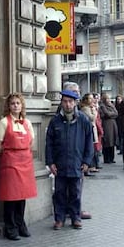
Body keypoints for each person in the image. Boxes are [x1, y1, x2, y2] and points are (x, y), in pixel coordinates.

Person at [46, 90, 93, 230]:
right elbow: (49, 144)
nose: (68, 104)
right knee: (59, 193)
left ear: (75, 103)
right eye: (65, 101)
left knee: (75, 193)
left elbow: (89, 142)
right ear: (61, 102)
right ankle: (59, 219)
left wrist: (86, 162)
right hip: (60, 165)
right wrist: (50, 162)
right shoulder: (55, 121)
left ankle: (75, 218)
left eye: (70, 101)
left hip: (77, 164)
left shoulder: (83, 120)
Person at [0, 93, 37, 241]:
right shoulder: (4, 123)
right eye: (13, 103)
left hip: (25, 163)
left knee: (21, 196)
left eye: (18, 103)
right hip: (10, 163)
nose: (16, 106)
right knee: (10, 197)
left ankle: (20, 224)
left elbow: (31, 142)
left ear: (22, 105)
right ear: (8, 106)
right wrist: (11, 154)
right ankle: (10, 227)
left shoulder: (27, 123)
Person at [99, 93, 118, 165]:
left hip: (113, 124)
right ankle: (107, 158)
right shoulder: (102, 106)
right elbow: (107, 114)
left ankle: (112, 157)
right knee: (107, 141)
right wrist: (111, 114)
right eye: (107, 98)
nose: (109, 100)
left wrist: (111, 114)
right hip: (106, 125)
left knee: (112, 141)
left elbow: (116, 113)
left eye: (109, 98)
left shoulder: (111, 105)